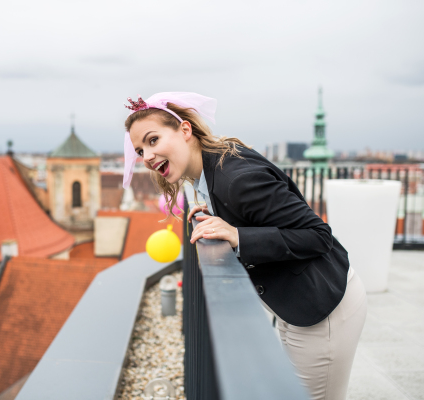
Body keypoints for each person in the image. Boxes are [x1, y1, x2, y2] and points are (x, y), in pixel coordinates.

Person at [123, 92, 367, 400]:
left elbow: (318, 235)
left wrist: (238, 235)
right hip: (298, 306)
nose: (146, 156)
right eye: (140, 150)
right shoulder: (213, 167)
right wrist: (217, 216)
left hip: (324, 309)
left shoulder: (235, 178)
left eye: (153, 140)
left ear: (185, 130)